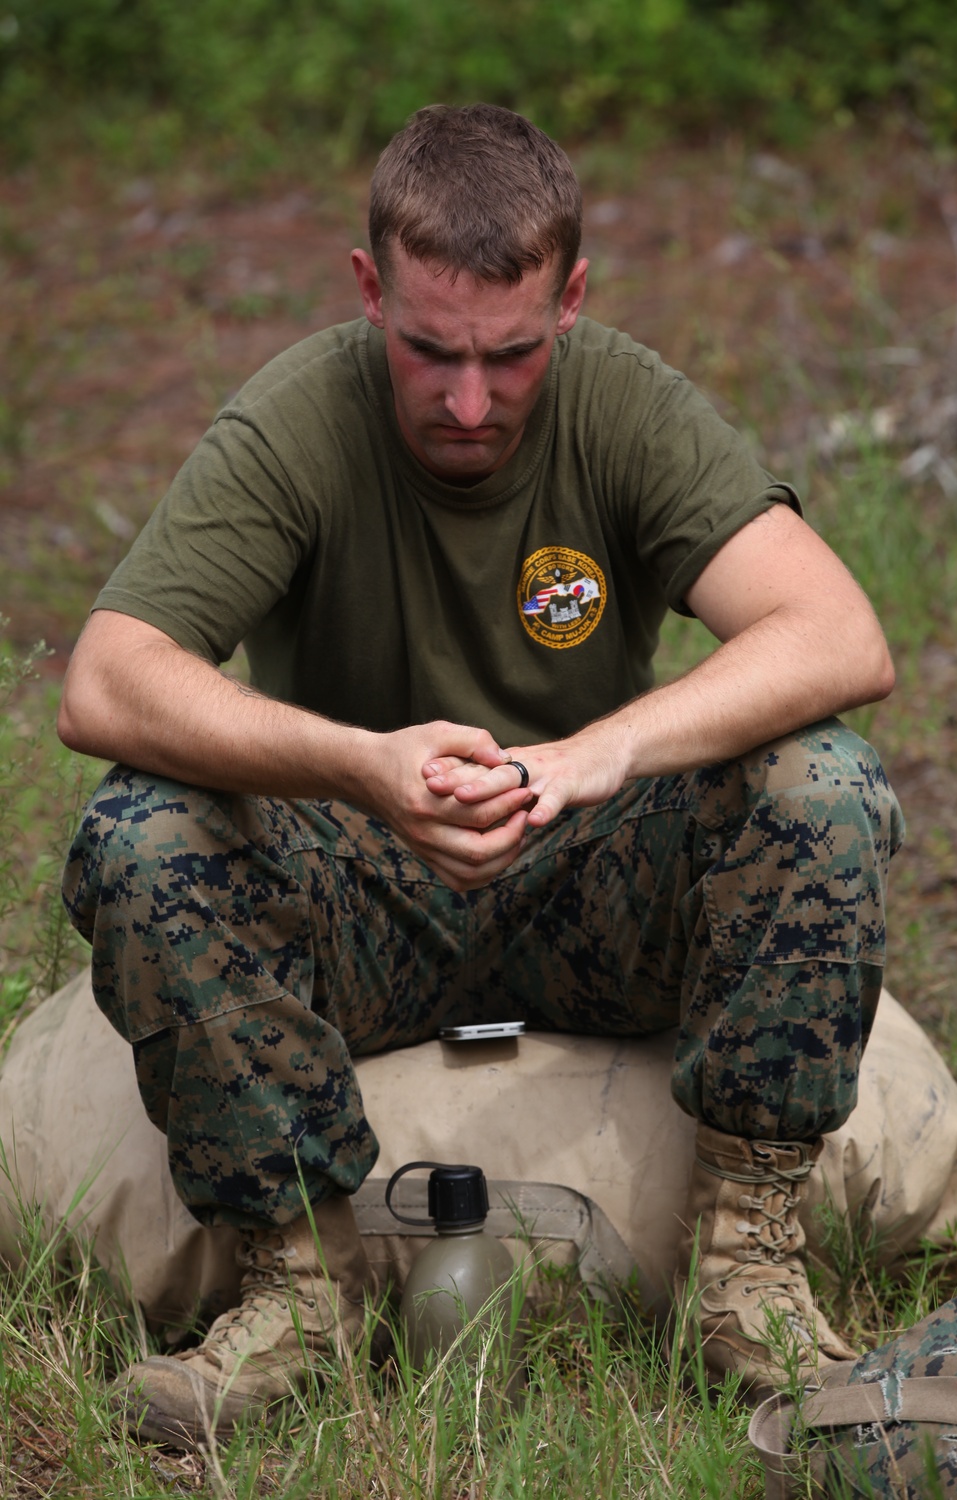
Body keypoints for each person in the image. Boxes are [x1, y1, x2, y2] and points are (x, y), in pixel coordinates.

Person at [57, 102, 903, 1448]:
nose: (468, 401)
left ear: (570, 298)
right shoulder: (299, 415)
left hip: (589, 876)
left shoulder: (624, 402)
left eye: (510, 356)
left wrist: (602, 752)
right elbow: (107, 679)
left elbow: (841, 635)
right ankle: (298, 1285)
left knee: (824, 784)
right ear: (368, 289)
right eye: (429, 349)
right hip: (355, 898)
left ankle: (747, 1270)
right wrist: (361, 766)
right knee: (141, 830)